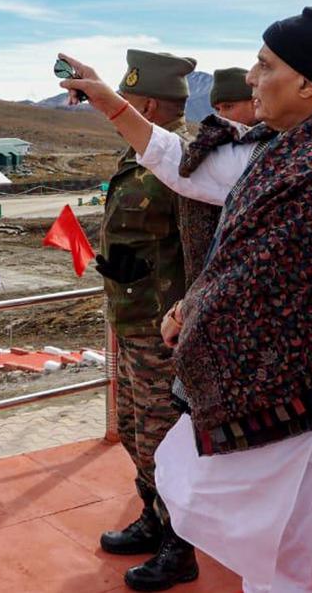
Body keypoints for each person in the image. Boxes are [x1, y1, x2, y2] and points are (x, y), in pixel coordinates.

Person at [61, 0, 312, 592]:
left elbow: (264, 284)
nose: (252, 77)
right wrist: (112, 104)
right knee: (276, 562)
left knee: (310, 564)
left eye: (264, 64)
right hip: (293, 399)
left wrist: (195, 309)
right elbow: (189, 167)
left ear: (306, 82)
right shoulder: (293, 147)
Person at [94, 49, 199, 590]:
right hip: (132, 318)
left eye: (127, 101)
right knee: (137, 431)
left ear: (150, 105)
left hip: (163, 328)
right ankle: (154, 520)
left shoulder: (183, 159)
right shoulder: (139, 156)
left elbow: (204, 247)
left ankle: (181, 547)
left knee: (165, 439)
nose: (120, 111)